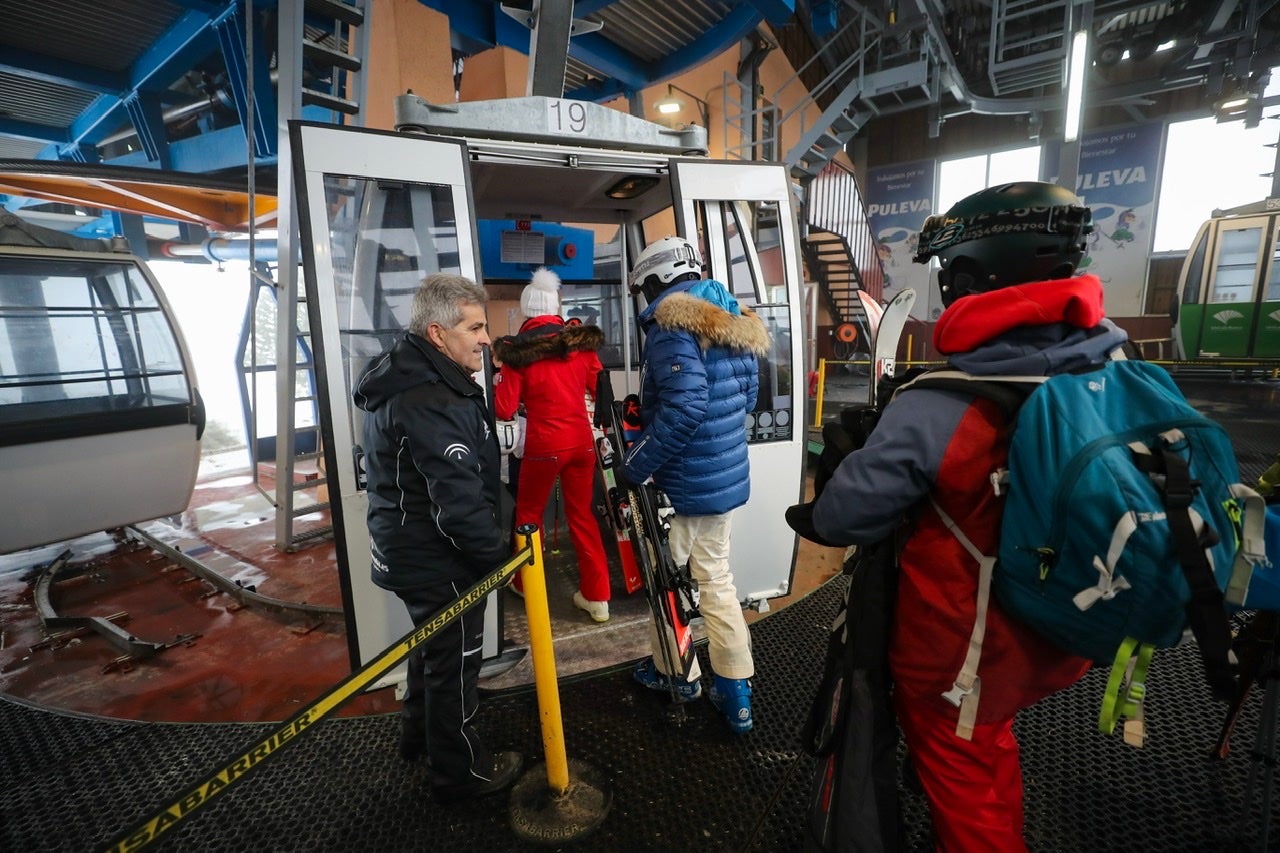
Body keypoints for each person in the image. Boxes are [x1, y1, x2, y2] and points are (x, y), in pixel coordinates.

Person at [809, 181, 1123, 850]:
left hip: (964, 650)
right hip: (1067, 619)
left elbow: (839, 519)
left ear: (971, 276)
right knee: (984, 735)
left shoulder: (941, 404)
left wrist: (844, 464)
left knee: (967, 771)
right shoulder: (1114, 365)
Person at [353, 272, 523, 804]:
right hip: (436, 561)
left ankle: (417, 741)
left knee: (432, 654)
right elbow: (458, 504)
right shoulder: (431, 399)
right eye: (475, 328)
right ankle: (461, 774)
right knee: (456, 665)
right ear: (437, 333)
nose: (486, 339)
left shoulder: (407, 379)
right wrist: (500, 560)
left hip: (407, 551)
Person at [621, 235, 771, 734]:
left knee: (665, 580)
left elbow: (686, 409)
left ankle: (676, 674)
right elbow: (746, 398)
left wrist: (634, 465)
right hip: (725, 475)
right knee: (716, 578)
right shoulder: (733, 317)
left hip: (686, 483)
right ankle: (735, 691)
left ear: (657, 281)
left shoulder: (670, 325)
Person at [492, 266, 612, 621]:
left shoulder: (517, 352)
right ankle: (597, 597)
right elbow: (598, 388)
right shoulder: (581, 345)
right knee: (583, 517)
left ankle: (526, 584)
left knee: (529, 517)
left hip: (543, 447)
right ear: (555, 309)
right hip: (581, 443)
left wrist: (501, 376)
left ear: (527, 311)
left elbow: (504, 407)